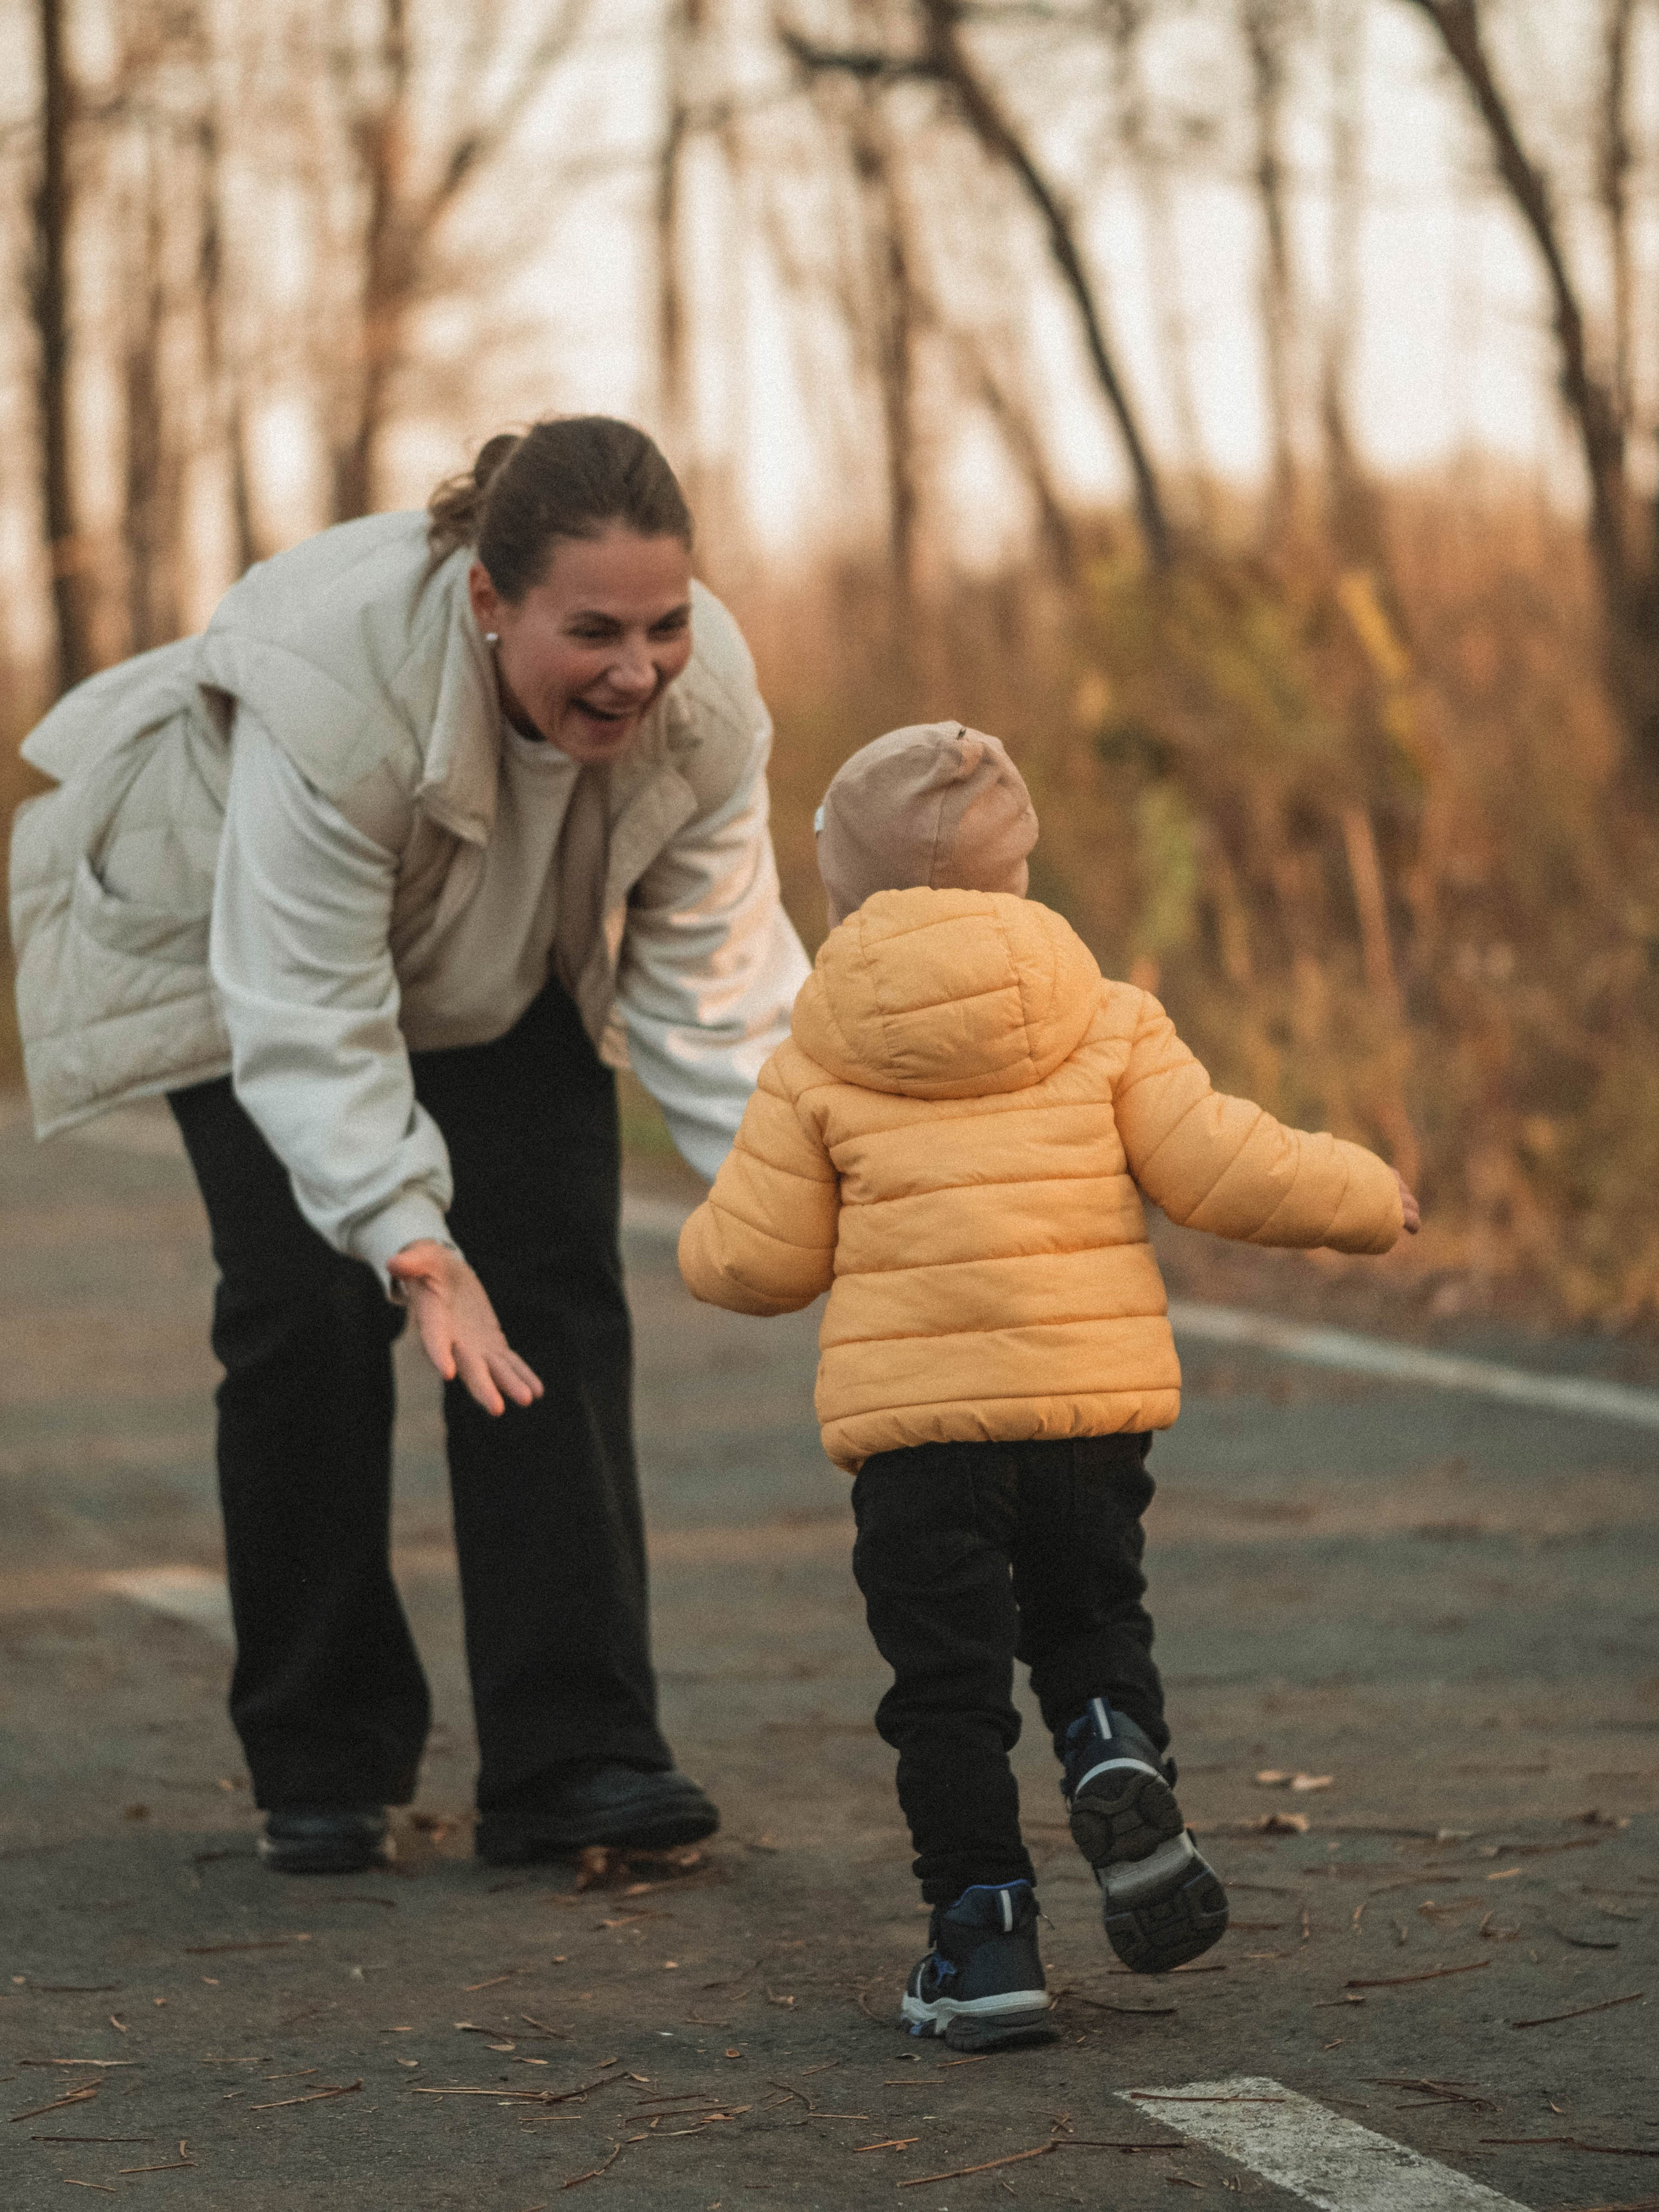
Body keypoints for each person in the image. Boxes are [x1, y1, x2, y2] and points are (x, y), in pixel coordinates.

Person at [9, 417, 810, 1874]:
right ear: (487, 601)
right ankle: (320, 1755)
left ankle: (576, 1757)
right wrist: (412, 1240)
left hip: (498, 953)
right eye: (593, 631)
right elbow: (308, 1013)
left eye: (665, 625)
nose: (637, 668)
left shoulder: (706, 714)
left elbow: (723, 997)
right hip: (229, 949)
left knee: (554, 1283)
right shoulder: (335, 688)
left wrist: (820, 1192)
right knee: (309, 1303)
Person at [676, 721, 1420, 2050]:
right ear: (1019, 877)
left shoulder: (819, 1052)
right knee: (1087, 1619)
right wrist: (1363, 1194)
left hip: (915, 1442)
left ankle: (982, 1938)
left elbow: (759, 1261)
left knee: (945, 1689)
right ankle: (1105, 1744)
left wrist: (696, 1250)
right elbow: (1219, 1166)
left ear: (844, 895)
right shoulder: (1107, 1019)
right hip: (1090, 1414)